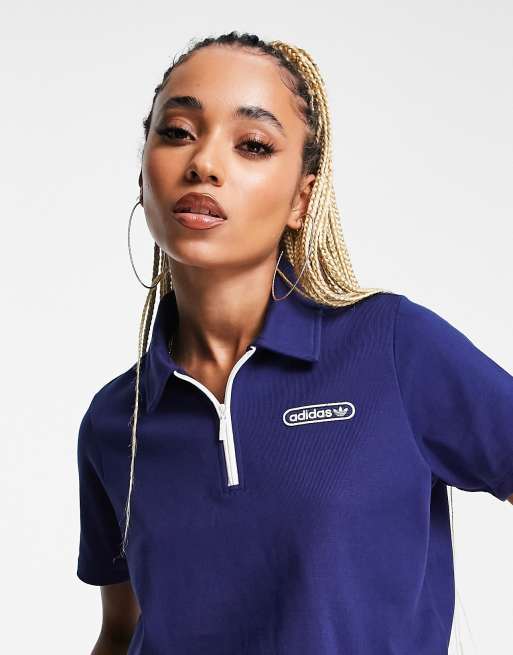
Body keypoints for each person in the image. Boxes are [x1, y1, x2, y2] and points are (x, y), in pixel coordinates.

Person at [76, 31, 513, 655]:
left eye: (252, 144)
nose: (204, 163)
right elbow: (120, 633)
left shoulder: (392, 348)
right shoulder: (117, 420)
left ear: (301, 199)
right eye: (177, 132)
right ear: (143, 172)